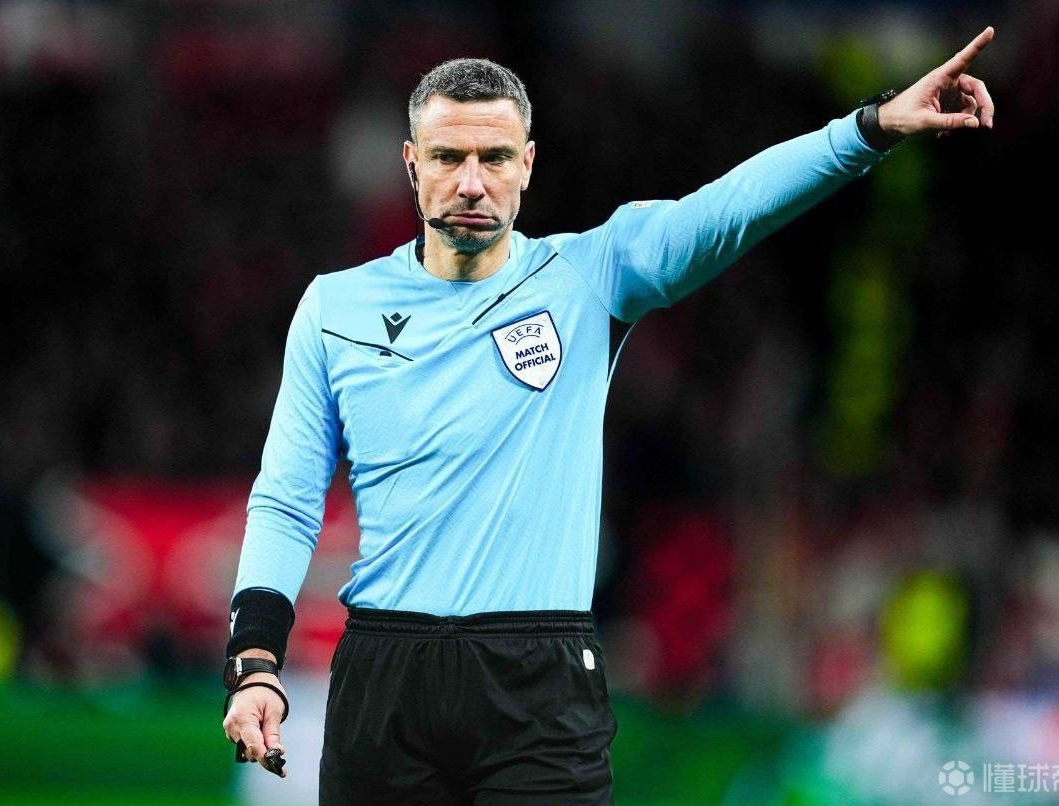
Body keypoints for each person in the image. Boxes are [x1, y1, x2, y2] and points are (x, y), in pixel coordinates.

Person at [222, 26, 996, 804]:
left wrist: (868, 129)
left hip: (538, 680)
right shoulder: (337, 308)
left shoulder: (591, 273)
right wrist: (256, 659)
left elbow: (727, 210)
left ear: (527, 164)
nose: (472, 183)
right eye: (450, 157)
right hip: (387, 676)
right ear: (412, 163)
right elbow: (288, 497)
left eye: (495, 158)